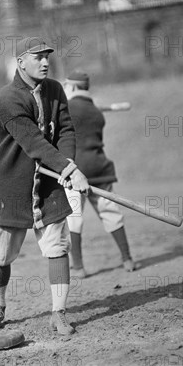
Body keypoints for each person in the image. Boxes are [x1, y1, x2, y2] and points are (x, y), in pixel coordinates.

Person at [0, 37, 90, 336]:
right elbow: (33, 142)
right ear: (20, 63)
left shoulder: (55, 89)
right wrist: (69, 169)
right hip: (9, 185)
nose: (45, 62)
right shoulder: (8, 98)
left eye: (47, 57)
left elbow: (66, 129)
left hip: (47, 183)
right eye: (38, 57)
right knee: (1, 254)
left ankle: (58, 313)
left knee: (57, 245)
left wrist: (66, 164)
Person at [62, 70, 135, 279]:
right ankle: (127, 258)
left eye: (66, 86)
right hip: (99, 167)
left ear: (73, 87)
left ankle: (78, 267)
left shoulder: (67, 109)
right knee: (110, 212)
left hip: (75, 171)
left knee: (74, 217)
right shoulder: (96, 111)